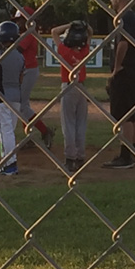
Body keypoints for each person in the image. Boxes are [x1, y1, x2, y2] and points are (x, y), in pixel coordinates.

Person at [104, 0, 135, 169]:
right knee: (133, 116)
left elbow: (123, 44)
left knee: (124, 116)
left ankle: (125, 156)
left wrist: (116, 68)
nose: (111, 1)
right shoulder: (134, 18)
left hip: (127, 73)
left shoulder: (124, 17)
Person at [51, 19, 92, 173]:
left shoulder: (65, 52)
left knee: (68, 124)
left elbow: (54, 31)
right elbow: (91, 33)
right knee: (81, 123)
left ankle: (70, 159)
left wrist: (69, 25)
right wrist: (84, 25)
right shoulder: (84, 52)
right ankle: (80, 157)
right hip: (82, 88)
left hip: (68, 88)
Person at [14, 5, 54, 149]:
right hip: (23, 71)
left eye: (21, 19)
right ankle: (29, 135)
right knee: (23, 105)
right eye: (17, 20)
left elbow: (18, 49)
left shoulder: (30, 34)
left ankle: (45, 131)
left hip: (29, 70)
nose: (18, 23)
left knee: (22, 105)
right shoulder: (22, 34)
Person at [0, 20, 25, 176]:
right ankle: (7, 163)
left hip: (2, 95)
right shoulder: (20, 56)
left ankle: (9, 164)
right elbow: (21, 78)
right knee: (10, 130)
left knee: (5, 132)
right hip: (16, 96)